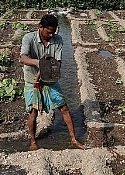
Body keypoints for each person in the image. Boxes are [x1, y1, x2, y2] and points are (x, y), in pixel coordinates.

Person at [19, 14, 85, 150]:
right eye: (48, 32)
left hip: (49, 79)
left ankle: (73, 139)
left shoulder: (58, 40)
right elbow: (23, 59)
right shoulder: (29, 38)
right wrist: (40, 63)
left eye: (53, 32)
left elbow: (58, 63)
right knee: (33, 112)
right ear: (40, 27)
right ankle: (33, 141)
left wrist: (47, 71)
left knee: (64, 108)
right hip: (33, 80)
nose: (51, 35)